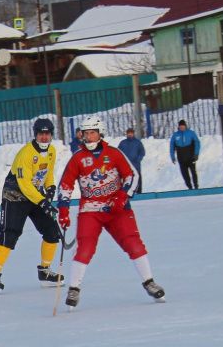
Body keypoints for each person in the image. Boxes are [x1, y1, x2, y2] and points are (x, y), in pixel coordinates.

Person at [55, 117, 165, 309]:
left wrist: (123, 196)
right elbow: (65, 184)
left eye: (92, 132)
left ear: (100, 133)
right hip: (91, 210)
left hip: (117, 209)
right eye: (85, 133)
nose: (89, 137)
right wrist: (63, 210)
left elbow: (131, 175)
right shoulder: (78, 158)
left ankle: (149, 282)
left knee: (134, 244)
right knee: (85, 247)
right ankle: (74, 288)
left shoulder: (113, 153)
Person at [0, 117, 65, 294]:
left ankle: (45, 271)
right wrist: (43, 201)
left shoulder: (51, 151)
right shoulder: (26, 154)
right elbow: (25, 184)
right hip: (15, 196)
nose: (44, 137)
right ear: (35, 135)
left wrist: (50, 188)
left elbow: (48, 173)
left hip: (35, 196)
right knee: (10, 234)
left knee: (52, 232)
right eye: (41, 134)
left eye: (47, 134)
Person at [169, 119, 201, 190]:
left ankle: (196, 186)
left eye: (183, 126)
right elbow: (171, 146)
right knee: (184, 174)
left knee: (193, 171)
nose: (182, 127)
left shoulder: (191, 133)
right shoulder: (175, 135)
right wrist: (172, 157)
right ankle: (190, 187)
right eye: (180, 126)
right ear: (178, 127)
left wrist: (196, 154)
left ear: (185, 126)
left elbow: (197, 143)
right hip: (181, 157)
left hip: (191, 156)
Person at [117, 127, 145, 194]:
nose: (130, 134)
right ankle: (126, 192)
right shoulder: (122, 143)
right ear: (126, 134)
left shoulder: (138, 142)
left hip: (136, 165)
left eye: (131, 133)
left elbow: (142, 152)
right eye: (128, 133)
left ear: (133, 133)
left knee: (138, 178)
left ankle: (139, 192)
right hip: (125, 165)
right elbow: (118, 152)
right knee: (126, 178)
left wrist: (138, 159)